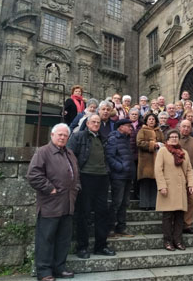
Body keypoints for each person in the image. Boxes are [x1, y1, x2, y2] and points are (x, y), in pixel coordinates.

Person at [27, 123, 80, 281]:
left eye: (65, 135)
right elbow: (33, 175)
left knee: (63, 239)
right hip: (50, 203)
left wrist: (76, 187)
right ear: (52, 135)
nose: (63, 137)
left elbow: (75, 174)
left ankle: (59, 268)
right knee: (46, 239)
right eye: (60, 134)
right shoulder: (43, 152)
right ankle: (44, 272)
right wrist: (50, 188)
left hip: (68, 203)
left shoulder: (69, 153)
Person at [67, 114, 115, 259]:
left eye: (98, 122)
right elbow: (70, 156)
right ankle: (82, 247)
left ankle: (101, 246)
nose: (96, 124)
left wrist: (107, 171)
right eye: (93, 122)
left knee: (102, 213)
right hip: (85, 177)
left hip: (102, 178)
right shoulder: (78, 137)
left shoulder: (102, 138)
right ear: (87, 123)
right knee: (84, 213)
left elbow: (107, 157)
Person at [155, 129, 193, 251]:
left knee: (179, 216)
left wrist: (191, 184)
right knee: (167, 216)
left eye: (176, 137)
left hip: (181, 189)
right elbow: (158, 170)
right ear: (167, 139)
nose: (174, 138)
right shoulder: (162, 151)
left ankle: (178, 240)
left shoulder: (184, 152)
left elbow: (189, 170)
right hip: (167, 188)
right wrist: (162, 186)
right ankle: (167, 241)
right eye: (171, 137)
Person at [106, 119, 136, 237]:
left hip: (128, 176)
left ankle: (121, 227)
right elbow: (109, 157)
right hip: (118, 176)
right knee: (116, 202)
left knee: (125, 203)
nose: (131, 128)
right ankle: (110, 228)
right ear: (120, 127)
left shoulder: (126, 139)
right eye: (128, 126)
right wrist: (121, 167)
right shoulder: (114, 139)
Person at [178, 120, 193, 234]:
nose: (186, 129)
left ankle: (187, 224)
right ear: (179, 127)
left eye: (188, 127)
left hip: (191, 177)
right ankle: (177, 224)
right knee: (178, 202)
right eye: (184, 126)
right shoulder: (175, 140)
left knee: (190, 201)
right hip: (177, 178)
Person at [136, 113, 164, 210]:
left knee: (154, 183)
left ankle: (153, 204)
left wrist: (160, 145)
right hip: (145, 161)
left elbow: (164, 142)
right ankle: (144, 204)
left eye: (153, 119)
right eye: (149, 119)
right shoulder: (142, 130)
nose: (151, 121)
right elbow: (139, 143)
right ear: (146, 121)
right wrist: (152, 145)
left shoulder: (159, 131)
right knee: (145, 182)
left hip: (157, 159)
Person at [128, 108, 142, 199]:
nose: (134, 115)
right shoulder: (125, 124)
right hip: (127, 154)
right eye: (132, 114)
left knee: (137, 176)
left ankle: (136, 194)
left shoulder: (141, 126)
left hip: (138, 154)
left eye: (136, 114)